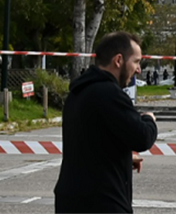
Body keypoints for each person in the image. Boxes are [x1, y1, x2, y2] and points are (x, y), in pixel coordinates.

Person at [54, 31, 157, 214]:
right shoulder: (109, 93)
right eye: (136, 62)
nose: (138, 70)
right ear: (118, 60)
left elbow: (90, 144)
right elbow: (142, 137)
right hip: (102, 202)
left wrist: (124, 158)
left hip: (70, 200)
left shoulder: (78, 92)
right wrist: (149, 119)